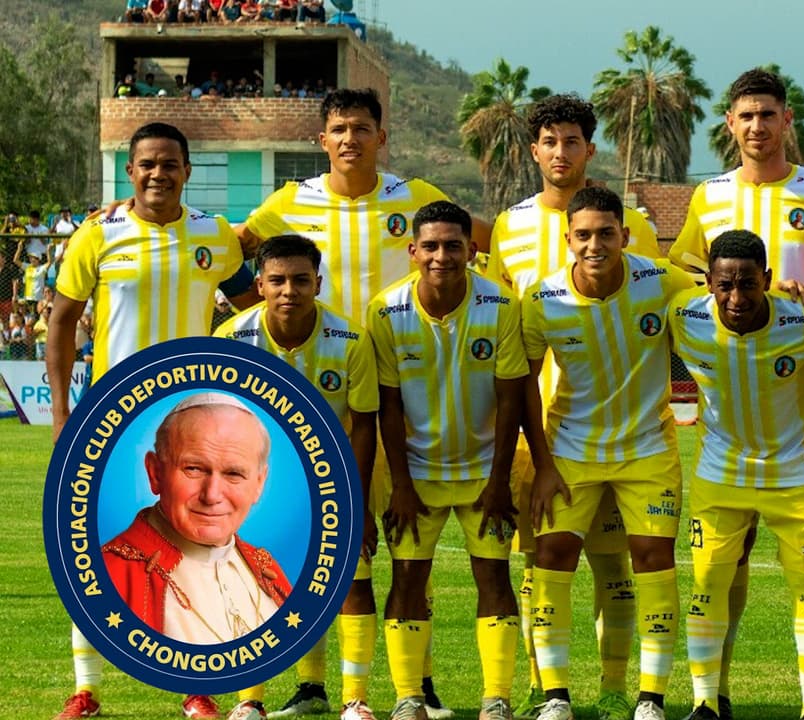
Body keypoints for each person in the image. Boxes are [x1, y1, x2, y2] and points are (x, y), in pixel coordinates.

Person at [239, 87, 472, 719]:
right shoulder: (291, 201)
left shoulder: (414, 196)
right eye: (339, 129)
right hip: (318, 393)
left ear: (380, 137)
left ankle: (417, 684)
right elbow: (237, 246)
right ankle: (312, 685)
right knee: (308, 547)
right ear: (323, 140)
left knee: (405, 547)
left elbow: (481, 239)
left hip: (404, 395)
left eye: (362, 128)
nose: (350, 139)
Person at [668, 68, 804, 720]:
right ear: (730, 125)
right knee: (719, 569)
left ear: (788, 120)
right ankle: (712, 696)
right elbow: (683, 275)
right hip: (730, 417)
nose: (757, 126)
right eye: (746, 116)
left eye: (767, 114)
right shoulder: (709, 196)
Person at [47, 122, 257, 720]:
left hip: (186, 420)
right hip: (108, 418)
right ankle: (86, 690)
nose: (157, 173)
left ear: (187, 171)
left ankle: (194, 688)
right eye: (147, 164)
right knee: (89, 548)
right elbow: (62, 321)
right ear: (130, 172)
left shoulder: (215, 237)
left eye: (169, 163)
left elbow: (254, 311)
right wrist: (62, 413)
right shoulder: (98, 234)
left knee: (189, 551)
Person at [486, 93, 661, 720]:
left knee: (615, 563)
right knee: (541, 561)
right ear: (534, 151)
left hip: (622, 426)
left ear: (591, 148)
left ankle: (614, 688)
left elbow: (654, 308)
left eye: (572, 142)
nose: (561, 153)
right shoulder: (509, 226)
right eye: (550, 142)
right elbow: (504, 328)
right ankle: (545, 687)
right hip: (542, 428)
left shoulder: (631, 227)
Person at [523, 187, 693, 720]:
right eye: (583, 235)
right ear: (567, 239)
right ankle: (555, 697)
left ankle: (650, 699)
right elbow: (523, 384)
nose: (594, 245)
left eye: (605, 234)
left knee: (653, 559)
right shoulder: (542, 299)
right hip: (571, 449)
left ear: (625, 235)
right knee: (552, 556)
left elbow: (720, 303)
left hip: (648, 448)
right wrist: (542, 464)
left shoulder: (662, 281)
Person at [670, 230, 804, 720]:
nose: (736, 297)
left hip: (796, 476)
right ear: (708, 282)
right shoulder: (683, 314)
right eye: (724, 285)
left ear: (768, 279)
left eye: (748, 284)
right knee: (707, 583)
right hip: (721, 476)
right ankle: (706, 702)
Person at [366, 201, 523, 720]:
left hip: (484, 472)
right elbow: (388, 404)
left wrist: (499, 481)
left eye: (453, 246)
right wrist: (401, 485)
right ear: (412, 251)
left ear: (472, 250)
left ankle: (496, 699)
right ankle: (408, 697)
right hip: (416, 474)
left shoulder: (501, 304)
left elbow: (510, 400)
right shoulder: (386, 311)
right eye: (430, 246)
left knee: (494, 577)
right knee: (408, 577)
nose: (441, 256)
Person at [214, 234, 381, 720]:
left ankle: (355, 700)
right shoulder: (233, 339)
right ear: (260, 285)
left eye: (301, 280)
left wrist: (356, 503)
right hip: (261, 488)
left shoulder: (350, 340)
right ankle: (250, 701)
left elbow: (364, 425)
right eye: (278, 280)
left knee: (351, 584)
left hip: (333, 483)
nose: (290, 290)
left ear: (318, 283)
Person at [102, 393, 288, 643]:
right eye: (194, 469)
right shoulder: (109, 575)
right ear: (155, 473)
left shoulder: (267, 569)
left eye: (234, 474)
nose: (212, 495)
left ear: (258, 484)